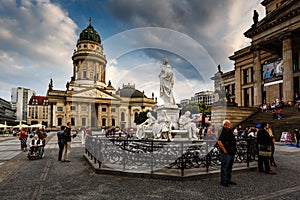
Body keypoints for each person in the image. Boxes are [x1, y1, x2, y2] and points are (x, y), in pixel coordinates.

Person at [217, 120, 237, 187]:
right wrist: (224, 151)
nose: (230, 125)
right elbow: (219, 142)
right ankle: (224, 181)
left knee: (229, 167)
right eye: (229, 124)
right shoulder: (221, 131)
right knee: (225, 167)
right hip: (226, 152)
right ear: (225, 124)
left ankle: (228, 179)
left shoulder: (230, 131)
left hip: (231, 151)